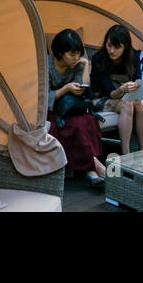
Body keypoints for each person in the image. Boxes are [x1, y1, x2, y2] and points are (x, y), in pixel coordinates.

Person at [47, 28, 107, 186]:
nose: (76, 58)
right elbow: (42, 97)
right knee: (75, 125)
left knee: (89, 120)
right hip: (51, 109)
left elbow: (84, 88)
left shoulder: (78, 63)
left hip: (72, 107)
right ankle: (95, 168)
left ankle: (91, 171)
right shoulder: (46, 66)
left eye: (79, 54)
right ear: (60, 52)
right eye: (72, 54)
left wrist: (86, 64)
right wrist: (66, 88)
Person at [90, 24, 143, 156]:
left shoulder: (133, 57)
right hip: (103, 98)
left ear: (125, 46)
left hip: (126, 96)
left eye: (117, 47)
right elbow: (110, 93)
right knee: (128, 104)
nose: (111, 50)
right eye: (109, 45)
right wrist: (122, 89)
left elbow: (136, 81)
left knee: (138, 104)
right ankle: (126, 154)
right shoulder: (99, 59)